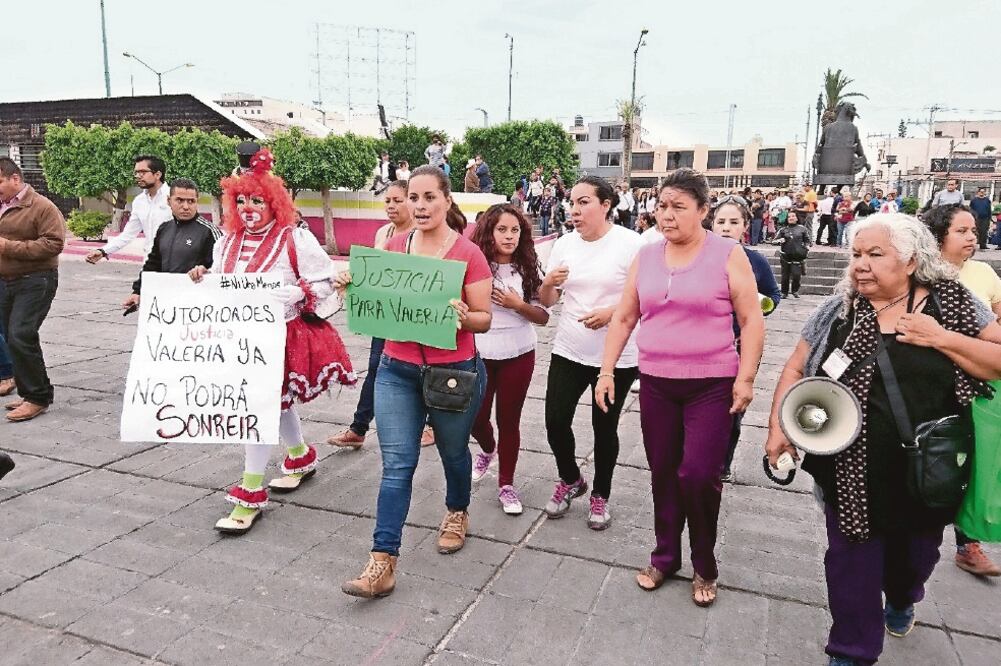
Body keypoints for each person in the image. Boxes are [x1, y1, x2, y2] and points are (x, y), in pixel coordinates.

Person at [764, 213, 1001, 666]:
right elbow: (796, 368)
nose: (860, 265)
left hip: (925, 471)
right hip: (847, 470)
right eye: (856, 254)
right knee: (851, 565)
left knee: (913, 559)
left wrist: (941, 337)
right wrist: (779, 428)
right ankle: (851, 652)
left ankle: (903, 596)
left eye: (876, 254)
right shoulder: (839, 310)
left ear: (912, 261)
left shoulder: (952, 304)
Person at [595, 170, 764, 606]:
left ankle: (704, 563)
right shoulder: (647, 256)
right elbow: (625, 317)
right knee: (664, 473)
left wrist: (745, 378)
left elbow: (751, 319)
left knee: (698, 475)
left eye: (678, 207)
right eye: (662, 205)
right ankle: (666, 555)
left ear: (703, 211)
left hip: (712, 384)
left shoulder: (728, 254)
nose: (666, 215)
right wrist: (607, 370)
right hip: (657, 384)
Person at [338, 165, 492, 599]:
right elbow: (371, 304)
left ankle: (457, 510)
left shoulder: (468, 254)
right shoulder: (391, 248)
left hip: (453, 373)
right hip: (396, 370)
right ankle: (382, 562)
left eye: (430, 198)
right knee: (397, 466)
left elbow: (484, 318)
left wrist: (465, 314)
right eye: (415, 198)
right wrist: (351, 286)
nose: (420, 206)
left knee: (453, 453)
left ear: (447, 201)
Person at [188, 148, 356, 534]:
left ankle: (249, 493)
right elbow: (220, 278)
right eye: (241, 200)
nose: (248, 208)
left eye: (257, 200)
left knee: (259, 409)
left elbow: (324, 278)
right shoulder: (226, 241)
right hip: (238, 338)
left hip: (279, 337)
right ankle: (298, 456)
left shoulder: (293, 239)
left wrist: (296, 293)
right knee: (272, 404)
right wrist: (201, 275)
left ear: (273, 202)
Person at [540, 176, 644, 529]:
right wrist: (548, 283)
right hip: (569, 347)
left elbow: (647, 296)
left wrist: (611, 314)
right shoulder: (564, 244)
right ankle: (571, 479)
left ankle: (601, 493)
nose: (575, 210)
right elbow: (548, 302)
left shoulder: (631, 244)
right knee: (555, 421)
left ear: (606, 205)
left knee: (604, 427)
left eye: (584, 202)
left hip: (616, 357)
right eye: (572, 202)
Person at [327, 181, 434, 450]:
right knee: (376, 367)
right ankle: (359, 428)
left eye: (398, 200)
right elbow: (371, 275)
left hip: (415, 316)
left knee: (426, 368)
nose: (391, 206)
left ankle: (431, 425)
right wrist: (350, 284)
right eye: (388, 201)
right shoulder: (382, 233)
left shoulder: (423, 236)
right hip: (385, 316)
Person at [924, 204, 1001, 578]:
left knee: (975, 462)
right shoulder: (923, 273)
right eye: (962, 230)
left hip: (978, 382)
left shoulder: (983, 273)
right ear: (939, 234)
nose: (972, 237)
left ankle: (967, 542)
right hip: (936, 386)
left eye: (974, 230)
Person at [469, 204, 549, 514]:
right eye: (502, 229)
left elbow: (542, 317)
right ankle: (488, 449)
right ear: (489, 231)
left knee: (509, 420)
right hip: (479, 354)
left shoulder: (529, 266)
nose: (509, 236)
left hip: (518, 353)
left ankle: (506, 484)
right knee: (475, 416)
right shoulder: (475, 265)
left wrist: (518, 304)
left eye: (515, 230)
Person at [710, 195, 781, 482]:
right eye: (721, 222)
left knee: (732, 408)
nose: (726, 228)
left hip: (739, 347)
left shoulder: (755, 260)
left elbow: (773, 295)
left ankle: (723, 463)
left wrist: (762, 306)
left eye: (733, 222)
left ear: (744, 227)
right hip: (704, 345)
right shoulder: (701, 256)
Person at [0, 157, 65, 423]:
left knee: (21, 334)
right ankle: (29, 392)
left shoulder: (42, 207)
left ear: (15, 179)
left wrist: (6, 247)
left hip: (36, 280)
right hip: (5, 281)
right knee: (11, 336)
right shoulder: (2, 205)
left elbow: (54, 244)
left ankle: (38, 398)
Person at [123, 178, 220, 312]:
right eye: (180, 200)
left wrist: (205, 270)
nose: (186, 206)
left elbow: (221, 269)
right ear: (169, 201)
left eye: (191, 201)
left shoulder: (209, 231)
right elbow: (153, 264)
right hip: (165, 305)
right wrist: (137, 291)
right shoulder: (164, 228)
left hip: (196, 309)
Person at [87, 155, 171, 263]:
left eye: (142, 172)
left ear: (157, 174)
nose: (138, 176)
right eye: (136, 172)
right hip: (150, 263)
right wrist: (103, 251)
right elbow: (128, 234)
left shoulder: (175, 197)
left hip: (175, 264)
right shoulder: (139, 201)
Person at [775, 209, 811, 298]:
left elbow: (808, 241)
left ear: (797, 218)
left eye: (793, 216)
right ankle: (784, 292)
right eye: (789, 217)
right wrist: (779, 240)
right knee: (785, 276)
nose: (791, 218)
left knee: (796, 275)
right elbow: (774, 240)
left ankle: (795, 290)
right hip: (785, 255)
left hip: (798, 256)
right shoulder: (783, 230)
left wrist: (806, 246)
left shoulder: (802, 229)